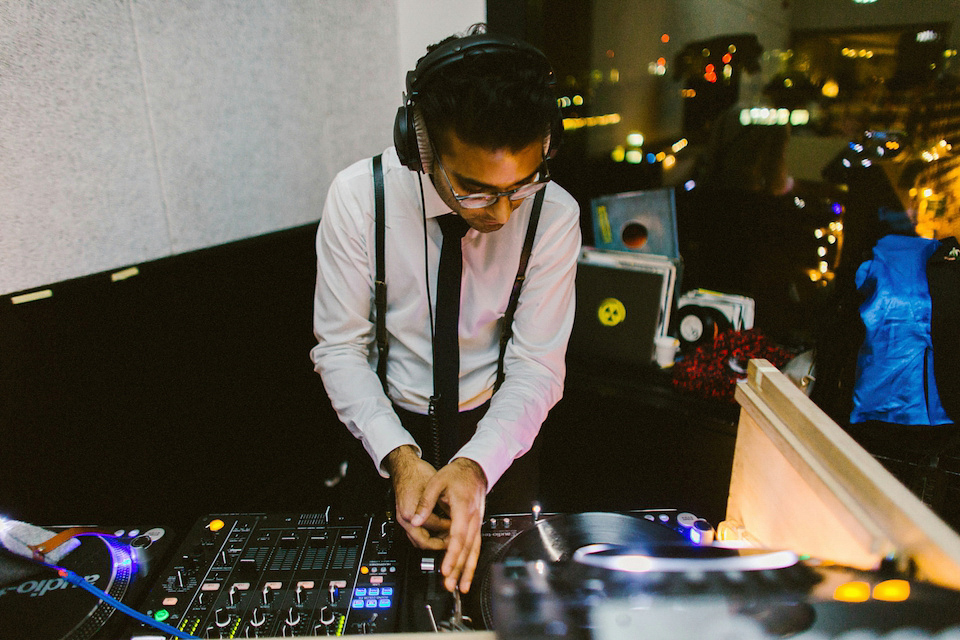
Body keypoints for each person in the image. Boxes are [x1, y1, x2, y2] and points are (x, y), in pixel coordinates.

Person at [310, 24, 581, 595]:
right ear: (421, 144)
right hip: (382, 432)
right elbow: (339, 349)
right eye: (476, 189)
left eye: (523, 185)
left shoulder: (554, 214)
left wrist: (475, 466)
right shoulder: (360, 199)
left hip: (499, 435)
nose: (503, 213)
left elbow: (537, 367)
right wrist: (399, 456)